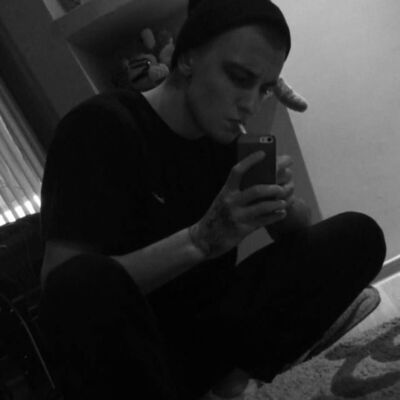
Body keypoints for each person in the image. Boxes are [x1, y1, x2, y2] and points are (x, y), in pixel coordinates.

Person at [38, 0, 386, 399]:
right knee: (81, 284)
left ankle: (232, 381)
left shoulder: (226, 137)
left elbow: (297, 234)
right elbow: (62, 291)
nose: (250, 104)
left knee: (358, 235)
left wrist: (281, 202)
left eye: (264, 88)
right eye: (239, 78)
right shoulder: (100, 127)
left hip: (211, 329)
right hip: (139, 349)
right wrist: (200, 240)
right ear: (188, 58)